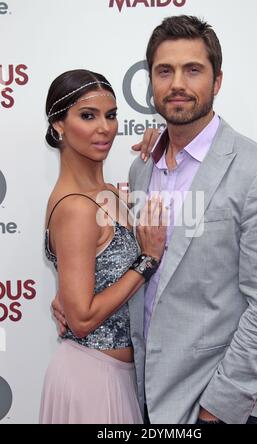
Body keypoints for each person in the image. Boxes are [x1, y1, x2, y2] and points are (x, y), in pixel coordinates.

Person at [53, 16, 257, 424]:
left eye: (193, 70)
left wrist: (217, 409)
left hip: (216, 405)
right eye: (164, 71)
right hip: (145, 397)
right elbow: (142, 269)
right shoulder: (142, 169)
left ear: (217, 81)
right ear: (150, 82)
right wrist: (74, 290)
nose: (177, 83)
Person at [39, 69, 166, 424]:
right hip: (92, 381)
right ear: (58, 125)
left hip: (120, 377)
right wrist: (147, 261)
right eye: (87, 115)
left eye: (110, 115)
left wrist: (165, 142)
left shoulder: (108, 193)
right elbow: (80, 319)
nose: (104, 128)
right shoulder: (76, 207)